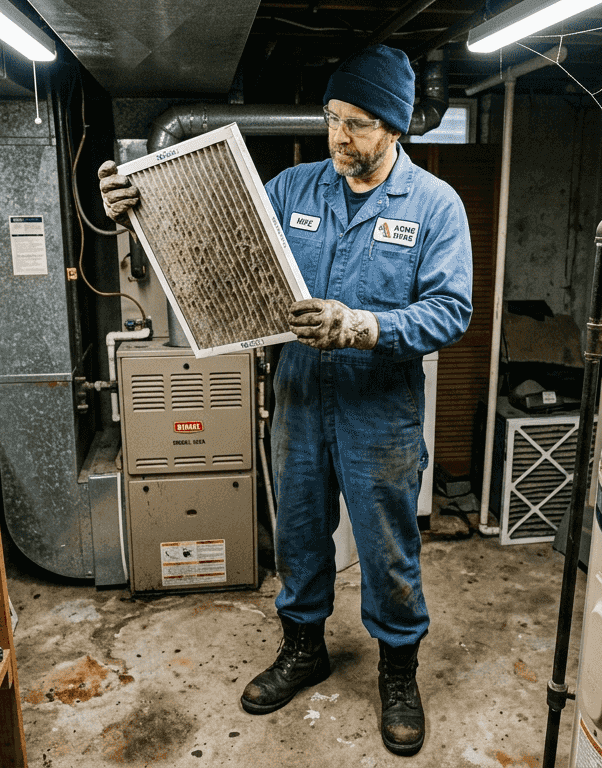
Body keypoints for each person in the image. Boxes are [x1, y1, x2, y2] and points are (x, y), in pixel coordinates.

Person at [98, 44, 472, 757]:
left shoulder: (434, 206)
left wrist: (363, 326)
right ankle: (304, 649)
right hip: (298, 398)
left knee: (389, 550)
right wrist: (139, 212)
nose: (339, 136)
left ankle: (398, 672)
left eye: (358, 123)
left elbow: (451, 311)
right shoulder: (292, 189)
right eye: (333, 118)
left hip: (379, 410)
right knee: (299, 535)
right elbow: (214, 248)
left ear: (395, 126)